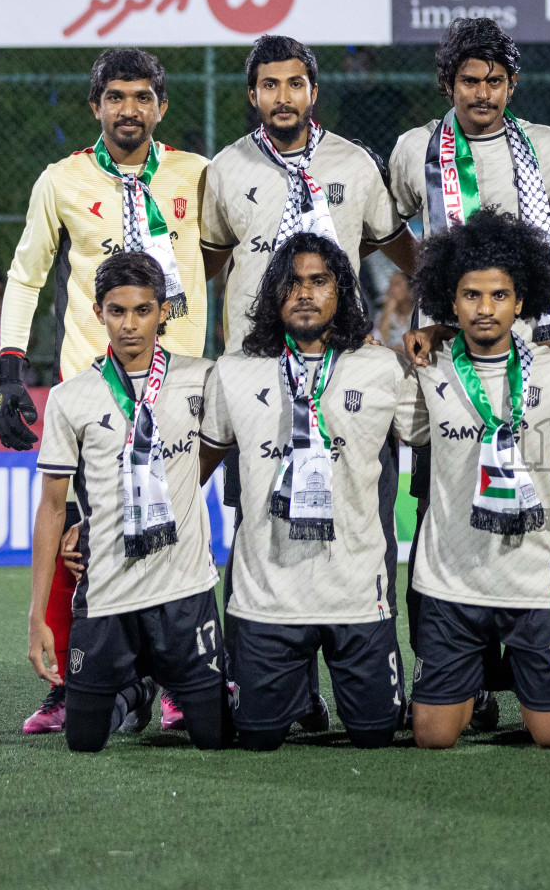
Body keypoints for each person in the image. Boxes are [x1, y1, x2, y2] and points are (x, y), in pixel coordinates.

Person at [0, 48, 210, 735]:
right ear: (96, 107)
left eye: (141, 96)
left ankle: (175, 680)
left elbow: (237, 260)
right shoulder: (60, 180)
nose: (128, 109)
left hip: (178, 388)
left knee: (172, 535)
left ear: (161, 107)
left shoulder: (198, 178)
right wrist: (10, 368)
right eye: (115, 97)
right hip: (95, 390)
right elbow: (28, 274)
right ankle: (70, 682)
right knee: (77, 541)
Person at [198, 233, 406, 751]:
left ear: (342, 292)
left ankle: (317, 692)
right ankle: (296, 694)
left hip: (356, 598)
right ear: (273, 294)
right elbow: (190, 474)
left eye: (319, 281)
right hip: (265, 600)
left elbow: (448, 441)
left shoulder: (380, 368)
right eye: (291, 282)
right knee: (256, 739)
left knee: (377, 736)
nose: (304, 292)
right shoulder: (233, 372)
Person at [395, 210, 550, 749]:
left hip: (534, 576)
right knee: (432, 738)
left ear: (521, 301)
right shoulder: (426, 368)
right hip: (450, 579)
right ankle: (472, 689)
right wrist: (415, 341)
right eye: (471, 296)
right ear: (450, 303)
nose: (485, 308)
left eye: (499, 296)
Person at [26, 252, 226, 753]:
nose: (129, 325)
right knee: (84, 740)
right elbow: (53, 507)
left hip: (185, 592)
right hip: (108, 595)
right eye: (117, 311)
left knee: (216, 736)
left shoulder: (202, 379)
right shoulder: (71, 398)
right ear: (98, 313)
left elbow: (219, 448)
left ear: (163, 311)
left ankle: (167, 677)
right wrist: (37, 616)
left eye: (142, 310)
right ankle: (138, 692)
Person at [201, 33, 413, 356]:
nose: (283, 97)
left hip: (338, 352)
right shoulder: (225, 168)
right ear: (252, 94)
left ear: (313, 92)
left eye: (295, 84)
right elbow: (206, 264)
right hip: (253, 354)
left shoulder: (355, 164)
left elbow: (402, 249)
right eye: (270, 85)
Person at [389, 17, 550, 338]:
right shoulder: (415, 146)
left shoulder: (546, 145)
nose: (483, 93)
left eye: (495, 81)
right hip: (441, 333)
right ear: (448, 83)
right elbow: (384, 230)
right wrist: (430, 271)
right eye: (470, 81)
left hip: (526, 333)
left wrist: (540, 265)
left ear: (511, 84)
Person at [375, 269, 414, 351]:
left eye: (397, 284)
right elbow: (376, 342)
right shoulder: (382, 315)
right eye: (390, 283)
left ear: (410, 291)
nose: (390, 288)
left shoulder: (418, 316)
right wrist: (387, 313)